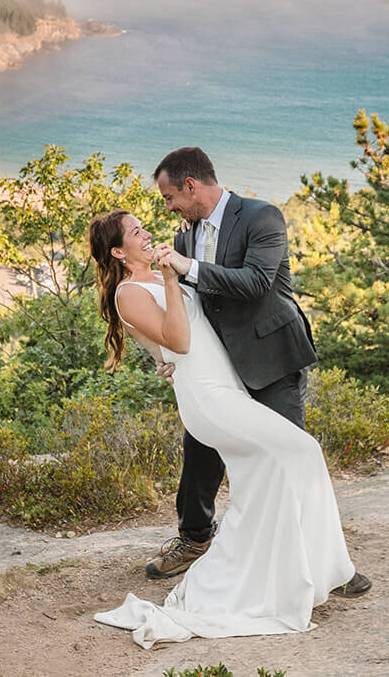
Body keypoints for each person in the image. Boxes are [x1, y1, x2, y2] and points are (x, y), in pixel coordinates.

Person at [88, 208, 357, 647]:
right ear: (119, 251)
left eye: (143, 226)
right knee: (300, 451)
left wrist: (164, 349)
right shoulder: (128, 292)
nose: (146, 232)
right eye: (135, 232)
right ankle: (292, 576)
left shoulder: (159, 273)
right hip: (208, 399)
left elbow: (170, 347)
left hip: (227, 387)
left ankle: (295, 577)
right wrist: (173, 278)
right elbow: (178, 341)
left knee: (264, 481)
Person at [147, 146, 371, 597]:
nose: (168, 207)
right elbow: (187, 309)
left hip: (272, 358)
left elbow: (254, 283)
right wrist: (169, 358)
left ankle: (327, 566)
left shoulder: (262, 217)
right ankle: (194, 538)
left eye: (170, 197)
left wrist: (187, 266)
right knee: (201, 449)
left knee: (292, 456)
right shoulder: (185, 235)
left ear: (191, 186)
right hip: (218, 368)